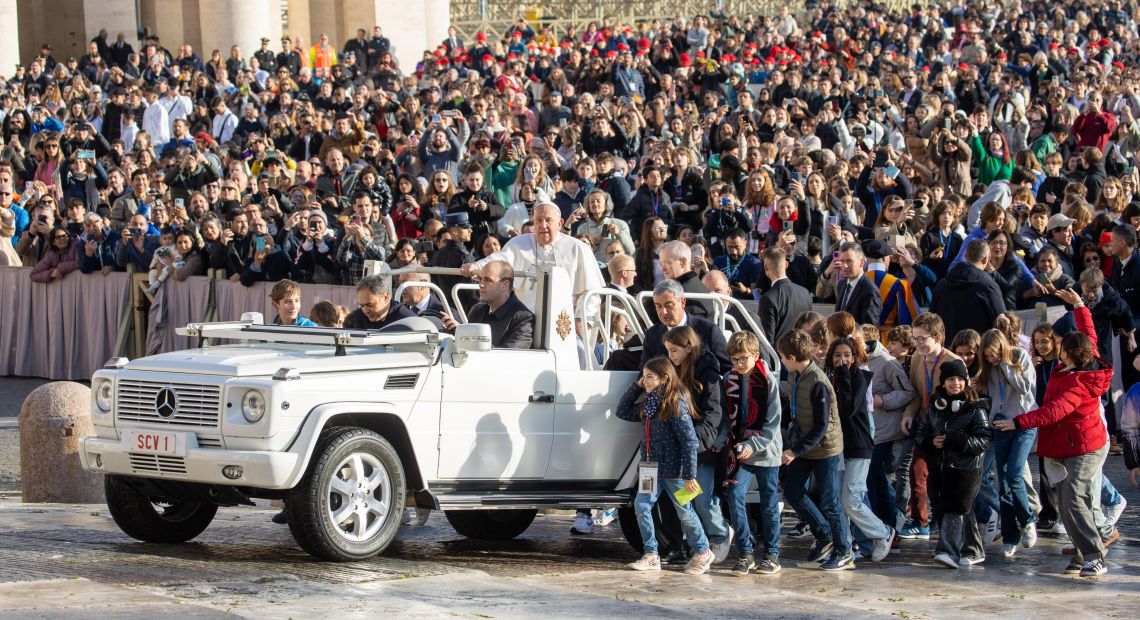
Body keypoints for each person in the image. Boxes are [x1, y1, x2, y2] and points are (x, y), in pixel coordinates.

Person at [994, 288, 1114, 577]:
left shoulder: (1079, 381)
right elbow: (1090, 333)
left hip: (1085, 446)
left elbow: (1054, 411)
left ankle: (1095, 555)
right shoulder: (1082, 362)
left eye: (1061, 345)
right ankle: (1084, 551)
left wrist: (1018, 422)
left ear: (1069, 353)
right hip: (1066, 445)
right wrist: (1079, 305)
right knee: (1066, 501)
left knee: (1073, 497)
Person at [616, 356, 713, 575]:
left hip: (675, 472)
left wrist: (689, 475)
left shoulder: (675, 404)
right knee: (641, 506)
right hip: (651, 469)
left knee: (685, 512)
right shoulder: (650, 404)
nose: (645, 380)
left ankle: (703, 551)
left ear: (665, 378)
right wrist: (636, 386)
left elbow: (689, 441)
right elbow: (622, 411)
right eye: (644, 376)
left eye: (650, 377)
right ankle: (651, 555)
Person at [777, 329, 852, 571]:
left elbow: (822, 426)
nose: (781, 360)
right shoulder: (795, 375)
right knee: (793, 491)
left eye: (782, 356)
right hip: (803, 444)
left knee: (830, 502)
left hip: (824, 448)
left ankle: (844, 550)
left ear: (791, 356)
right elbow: (793, 408)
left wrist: (793, 451)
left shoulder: (817, 381)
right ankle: (824, 534)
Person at [663, 326, 733, 563]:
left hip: (701, 447)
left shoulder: (709, 374)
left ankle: (720, 534)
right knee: (685, 499)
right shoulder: (674, 371)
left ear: (688, 347)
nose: (670, 356)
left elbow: (715, 414)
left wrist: (693, 440)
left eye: (674, 350)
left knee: (703, 499)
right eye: (668, 351)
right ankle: (701, 540)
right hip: (683, 447)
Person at [463, 202, 604, 319]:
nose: (543, 225)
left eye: (548, 220)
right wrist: (477, 265)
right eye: (538, 221)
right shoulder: (518, 243)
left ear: (560, 223)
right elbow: (499, 260)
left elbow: (591, 292)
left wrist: (582, 319)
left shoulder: (578, 248)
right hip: (525, 320)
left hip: (566, 321)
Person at [824, 336, 896, 562]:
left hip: (858, 445)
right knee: (838, 501)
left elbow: (849, 407)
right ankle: (845, 546)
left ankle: (882, 532)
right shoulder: (829, 378)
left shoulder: (861, 377)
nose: (842, 360)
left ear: (854, 357)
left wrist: (844, 374)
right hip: (837, 446)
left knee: (851, 500)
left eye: (847, 355)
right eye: (837, 355)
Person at [915, 359, 992, 569]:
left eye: (959, 379)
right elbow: (920, 433)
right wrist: (931, 442)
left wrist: (959, 440)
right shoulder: (934, 407)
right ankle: (973, 549)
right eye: (951, 379)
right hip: (940, 466)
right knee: (956, 508)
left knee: (954, 507)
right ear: (943, 382)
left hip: (966, 469)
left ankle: (947, 551)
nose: (955, 383)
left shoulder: (975, 409)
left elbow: (984, 439)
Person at [721, 330, 783, 575]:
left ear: (755, 355)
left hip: (766, 451)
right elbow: (727, 417)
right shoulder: (729, 378)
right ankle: (745, 551)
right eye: (734, 359)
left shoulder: (768, 380)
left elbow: (772, 424)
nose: (738, 364)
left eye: (743, 358)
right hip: (739, 448)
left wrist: (752, 446)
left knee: (769, 504)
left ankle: (772, 555)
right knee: (735, 495)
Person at [899, 312, 962, 540]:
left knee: (942, 477)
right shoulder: (917, 358)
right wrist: (909, 413)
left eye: (922, 338)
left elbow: (961, 398)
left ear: (937, 337)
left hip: (946, 427)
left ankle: (948, 520)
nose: (918, 344)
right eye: (915, 339)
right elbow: (916, 392)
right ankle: (920, 521)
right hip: (925, 425)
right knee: (916, 470)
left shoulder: (953, 362)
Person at [976, 329, 1038, 557]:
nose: (991, 359)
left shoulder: (1018, 357)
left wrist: (1005, 365)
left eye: (994, 355)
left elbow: (1024, 389)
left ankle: (1028, 519)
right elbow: (994, 399)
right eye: (988, 356)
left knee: (1014, 473)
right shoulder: (990, 368)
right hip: (1001, 425)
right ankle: (1011, 536)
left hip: (1022, 423)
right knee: (1002, 480)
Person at [641, 279, 729, 373]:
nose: (664, 312)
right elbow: (645, 375)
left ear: (682, 303)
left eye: (669, 305)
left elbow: (727, 369)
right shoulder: (652, 335)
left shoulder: (708, 330)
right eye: (659, 306)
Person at [930, 239, 1006, 343]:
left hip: (946, 350)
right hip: (977, 352)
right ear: (986, 260)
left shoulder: (942, 284)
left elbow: (931, 319)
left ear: (965, 256)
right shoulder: (988, 286)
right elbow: (1002, 323)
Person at [453, 261, 535, 349]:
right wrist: (459, 331)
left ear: (505, 285)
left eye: (488, 280)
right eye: (480, 279)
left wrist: (473, 338)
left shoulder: (524, 319)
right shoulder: (477, 310)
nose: (481, 285)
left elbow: (511, 358)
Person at [756, 245, 812, 346]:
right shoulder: (805, 293)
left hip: (781, 357)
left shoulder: (768, 298)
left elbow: (767, 339)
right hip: (803, 353)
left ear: (765, 267)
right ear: (786, 264)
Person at [825, 241, 882, 327]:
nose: (845, 266)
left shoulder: (870, 291)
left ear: (861, 262)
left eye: (849, 261)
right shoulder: (842, 284)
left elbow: (869, 329)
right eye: (842, 261)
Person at [657, 239, 713, 317]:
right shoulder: (697, 286)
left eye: (667, 263)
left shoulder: (684, 292)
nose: (662, 269)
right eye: (661, 264)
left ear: (683, 262)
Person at [343, 273, 416, 330]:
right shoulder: (355, 319)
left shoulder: (407, 321)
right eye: (362, 306)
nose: (365, 311)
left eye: (370, 305)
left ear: (386, 297)